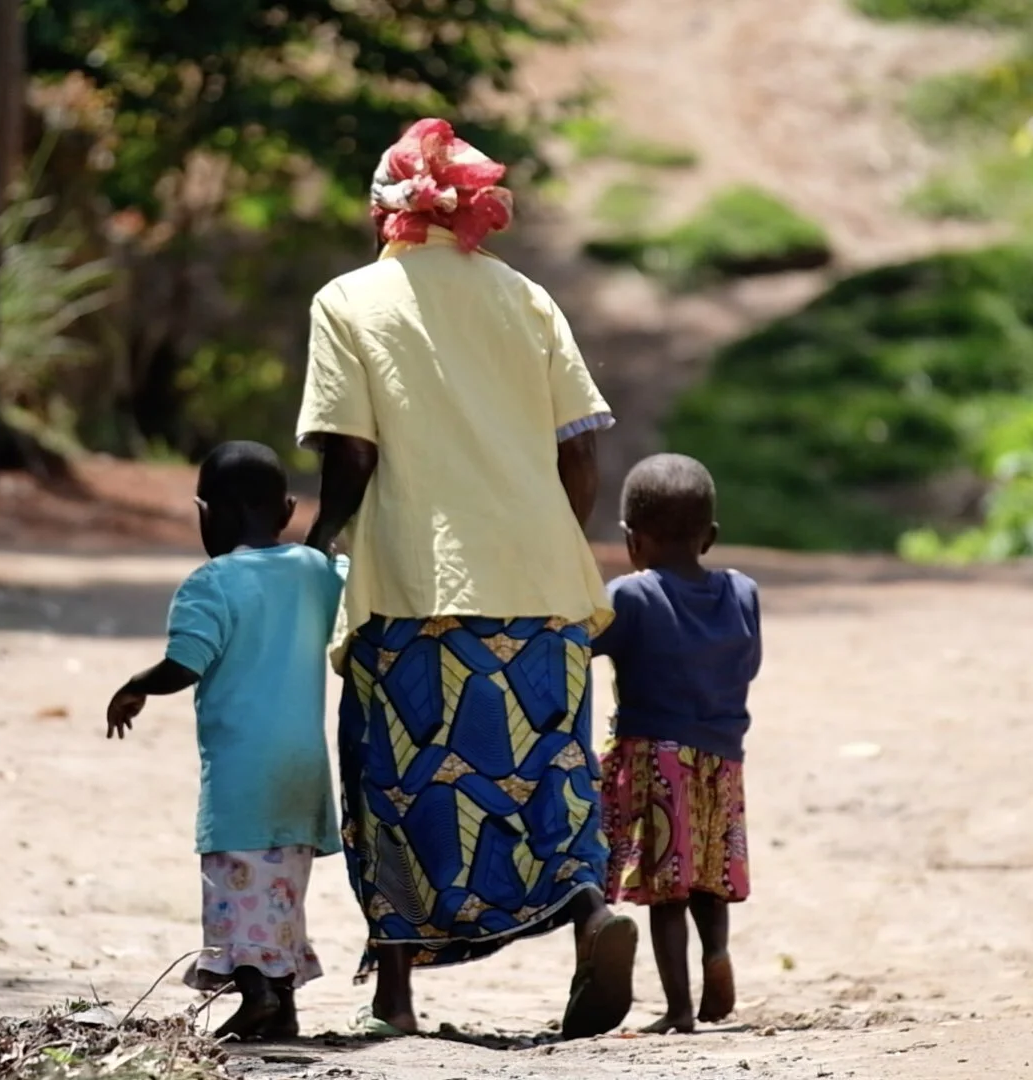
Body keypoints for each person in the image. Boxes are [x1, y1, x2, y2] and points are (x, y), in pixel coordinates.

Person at [296, 117, 639, 1041]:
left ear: (385, 210)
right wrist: (548, 539)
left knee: (398, 782)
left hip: (414, 586)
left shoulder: (347, 302)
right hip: (539, 582)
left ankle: (396, 993)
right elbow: (580, 451)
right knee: (548, 770)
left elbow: (351, 451)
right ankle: (589, 914)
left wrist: (318, 539)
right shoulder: (527, 298)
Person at [104, 441, 345, 1041]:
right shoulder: (317, 572)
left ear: (206, 512)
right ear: (285, 510)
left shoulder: (210, 584)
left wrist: (135, 686)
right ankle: (283, 1006)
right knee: (281, 887)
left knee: (237, 886)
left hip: (242, 775)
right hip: (305, 771)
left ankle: (257, 991)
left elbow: (184, 664)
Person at [593, 454, 760, 1034]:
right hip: (723, 759)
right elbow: (748, 664)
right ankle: (717, 952)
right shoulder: (742, 592)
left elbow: (580, 645)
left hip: (656, 759)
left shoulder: (631, 597)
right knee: (708, 878)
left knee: (667, 890)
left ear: (632, 540)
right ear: (708, 537)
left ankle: (679, 1009)